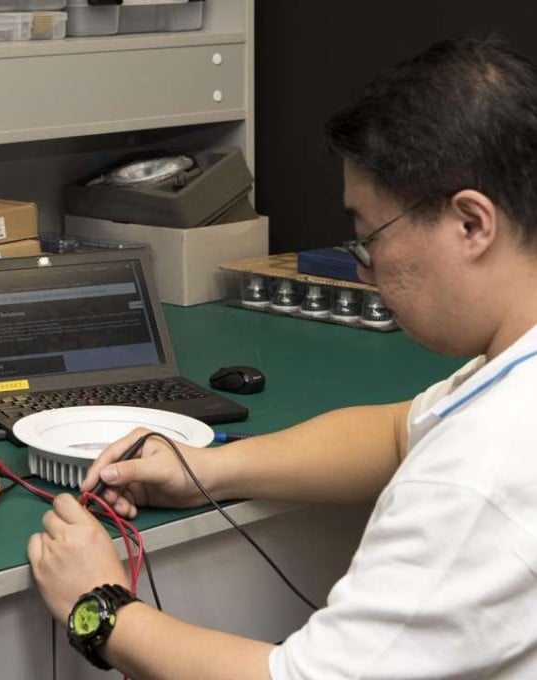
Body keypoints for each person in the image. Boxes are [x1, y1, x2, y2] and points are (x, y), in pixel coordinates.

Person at [27, 35, 537, 679]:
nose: (369, 271)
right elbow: (400, 433)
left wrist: (98, 607)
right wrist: (207, 470)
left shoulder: (480, 473)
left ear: (471, 224)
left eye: (369, 239)